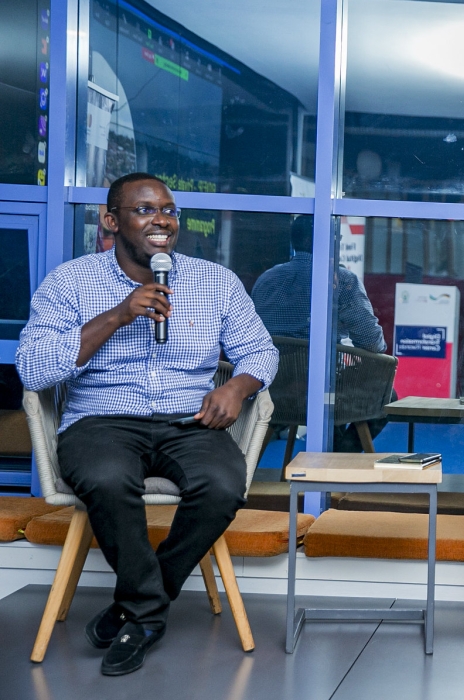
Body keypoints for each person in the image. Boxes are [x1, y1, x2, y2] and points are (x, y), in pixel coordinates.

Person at [15, 173, 278, 676]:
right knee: (107, 480)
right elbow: (34, 369)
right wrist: (118, 314)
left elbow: (260, 352)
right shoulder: (70, 282)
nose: (162, 220)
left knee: (224, 486)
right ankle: (148, 611)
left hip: (190, 421)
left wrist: (236, 388)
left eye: (169, 211)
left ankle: (136, 606)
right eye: (145, 210)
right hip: (102, 422)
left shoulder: (215, 282)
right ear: (111, 222)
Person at [252, 215, 386, 354]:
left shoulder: (265, 279)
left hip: (268, 366)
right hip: (320, 366)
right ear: (311, 241)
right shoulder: (342, 279)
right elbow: (371, 342)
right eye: (336, 238)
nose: (337, 244)